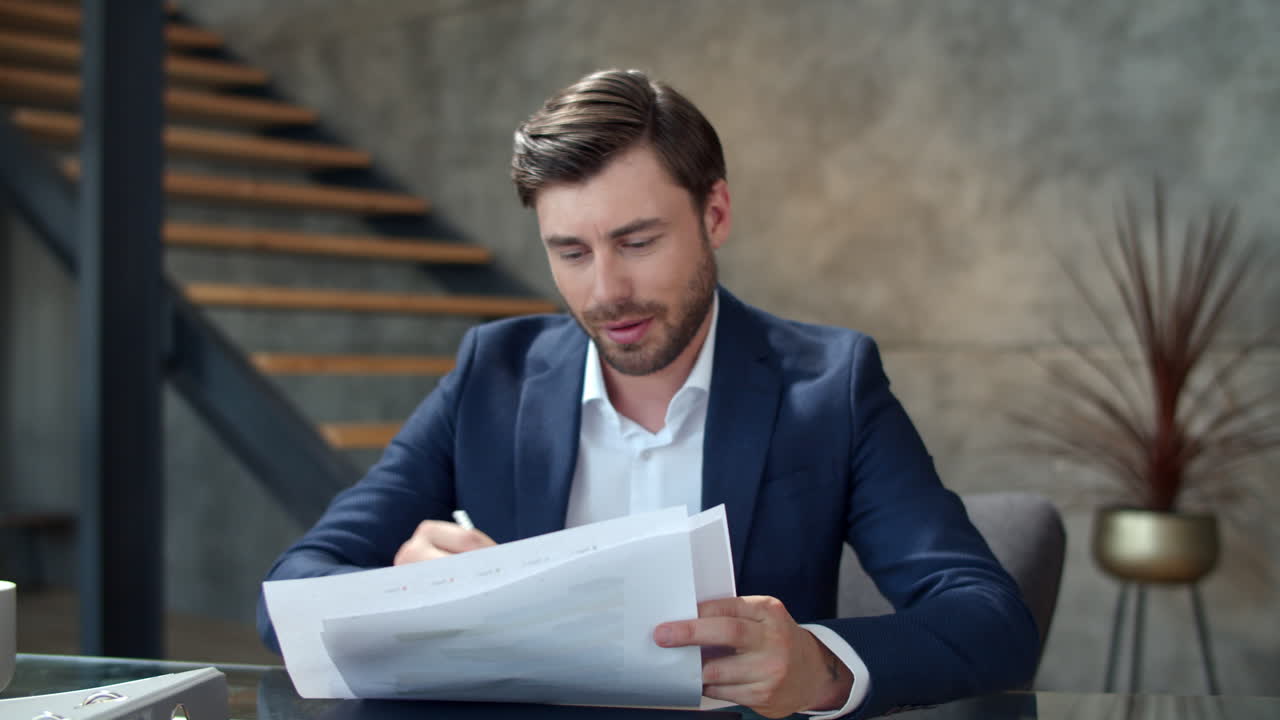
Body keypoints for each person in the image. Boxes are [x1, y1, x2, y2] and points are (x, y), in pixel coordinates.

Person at [258, 69, 1040, 719]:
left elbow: (988, 616)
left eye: (638, 242)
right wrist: (402, 592)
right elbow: (292, 591)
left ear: (716, 214)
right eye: (570, 252)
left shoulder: (830, 386)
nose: (606, 292)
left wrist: (820, 665)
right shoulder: (491, 372)